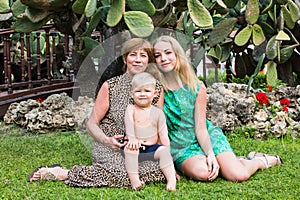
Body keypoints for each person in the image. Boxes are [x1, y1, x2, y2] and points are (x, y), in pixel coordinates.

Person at [27, 38, 168, 188]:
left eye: (143, 55)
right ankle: (64, 173)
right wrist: (107, 140)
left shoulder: (156, 88)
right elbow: (92, 123)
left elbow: (157, 125)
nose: (138, 60)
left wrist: (164, 159)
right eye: (133, 55)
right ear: (125, 59)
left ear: (148, 61)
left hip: (141, 147)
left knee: (158, 172)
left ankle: (112, 173)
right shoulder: (110, 86)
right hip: (111, 146)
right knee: (122, 173)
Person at [150, 35, 282, 182]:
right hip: (180, 145)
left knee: (238, 175)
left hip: (207, 137)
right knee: (205, 173)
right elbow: (159, 128)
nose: (163, 58)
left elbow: (201, 129)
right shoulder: (157, 88)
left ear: (177, 54)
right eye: (157, 55)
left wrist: (210, 154)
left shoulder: (197, 87)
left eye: (168, 53)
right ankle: (226, 161)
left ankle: (258, 160)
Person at [123, 72, 176, 191]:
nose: (142, 94)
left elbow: (163, 135)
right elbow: (129, 124)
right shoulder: (131, 109)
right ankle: (135, 180)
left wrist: (168, 152)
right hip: (134, 145)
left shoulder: (158, 113)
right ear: (132, 94)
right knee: (130, 150)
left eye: (147, 91)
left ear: (154, 94)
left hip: (151, 149)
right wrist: (132, 138)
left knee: (164, 152)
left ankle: (171, 179)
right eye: (138, 91)